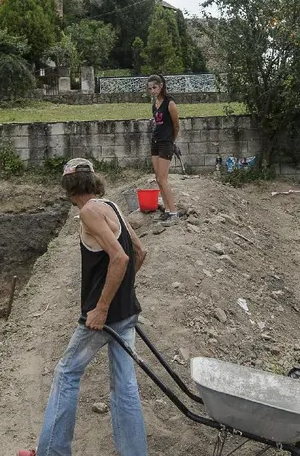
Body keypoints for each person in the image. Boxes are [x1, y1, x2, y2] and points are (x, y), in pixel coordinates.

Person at [19, 158, 149, 456]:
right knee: (124, 386)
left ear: (68, 187)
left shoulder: (89, 212)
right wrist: (119, 294)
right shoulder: (111, 206)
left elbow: (121, 258)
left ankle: (53, 451)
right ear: (93, 181)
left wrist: (103, 306)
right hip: (127, 312)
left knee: (66, 372)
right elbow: (140, 252)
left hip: (102, 319)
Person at [147, 74, 181, 221]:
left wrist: (171, 141)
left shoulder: (170, 103)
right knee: (158, 178)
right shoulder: (154, 105)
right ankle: (167, 210)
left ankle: (174, 213)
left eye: (154, 87)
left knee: (163, 179)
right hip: (155, 142)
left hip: (166, 143)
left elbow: (176, 125)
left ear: (161, 86)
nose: (152, 91)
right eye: (149, 88)